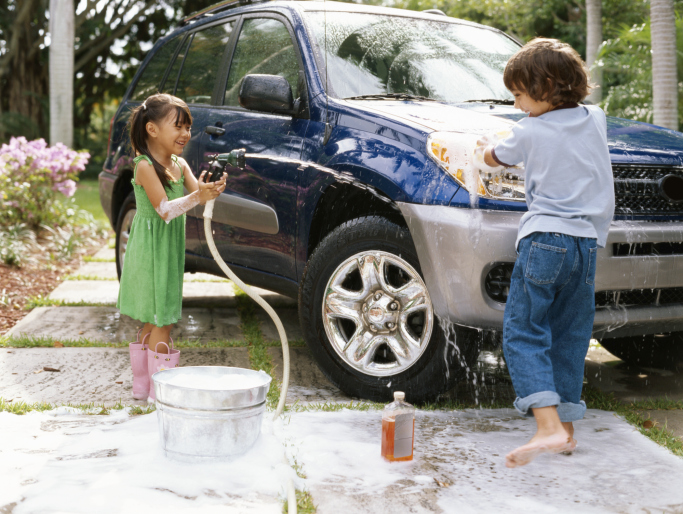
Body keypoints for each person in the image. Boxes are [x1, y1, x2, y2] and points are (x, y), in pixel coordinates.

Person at [473, 38, 615, 467]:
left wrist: (484, 148)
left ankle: (547, 425)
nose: (518, 106)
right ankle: (566, 431)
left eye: (519, 95)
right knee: (571, 335)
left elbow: (494, 157)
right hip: (585, 246)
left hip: (545, 242)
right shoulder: (595, 118)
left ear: (547, 86)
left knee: (524, 330)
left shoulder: (529, 131)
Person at [117, 93, 226, 402]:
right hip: (151, 249)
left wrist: (212, 190)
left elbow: (197, 193)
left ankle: (142, 387)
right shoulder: (144, 167)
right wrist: (198, 198)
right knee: (163, 317)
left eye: (188, 127)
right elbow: (165, 209)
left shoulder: (180, 164)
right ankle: (158, 395)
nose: (186, 134)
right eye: (178, 126)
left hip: (167, 249)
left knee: (155, 317)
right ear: (152, 130)